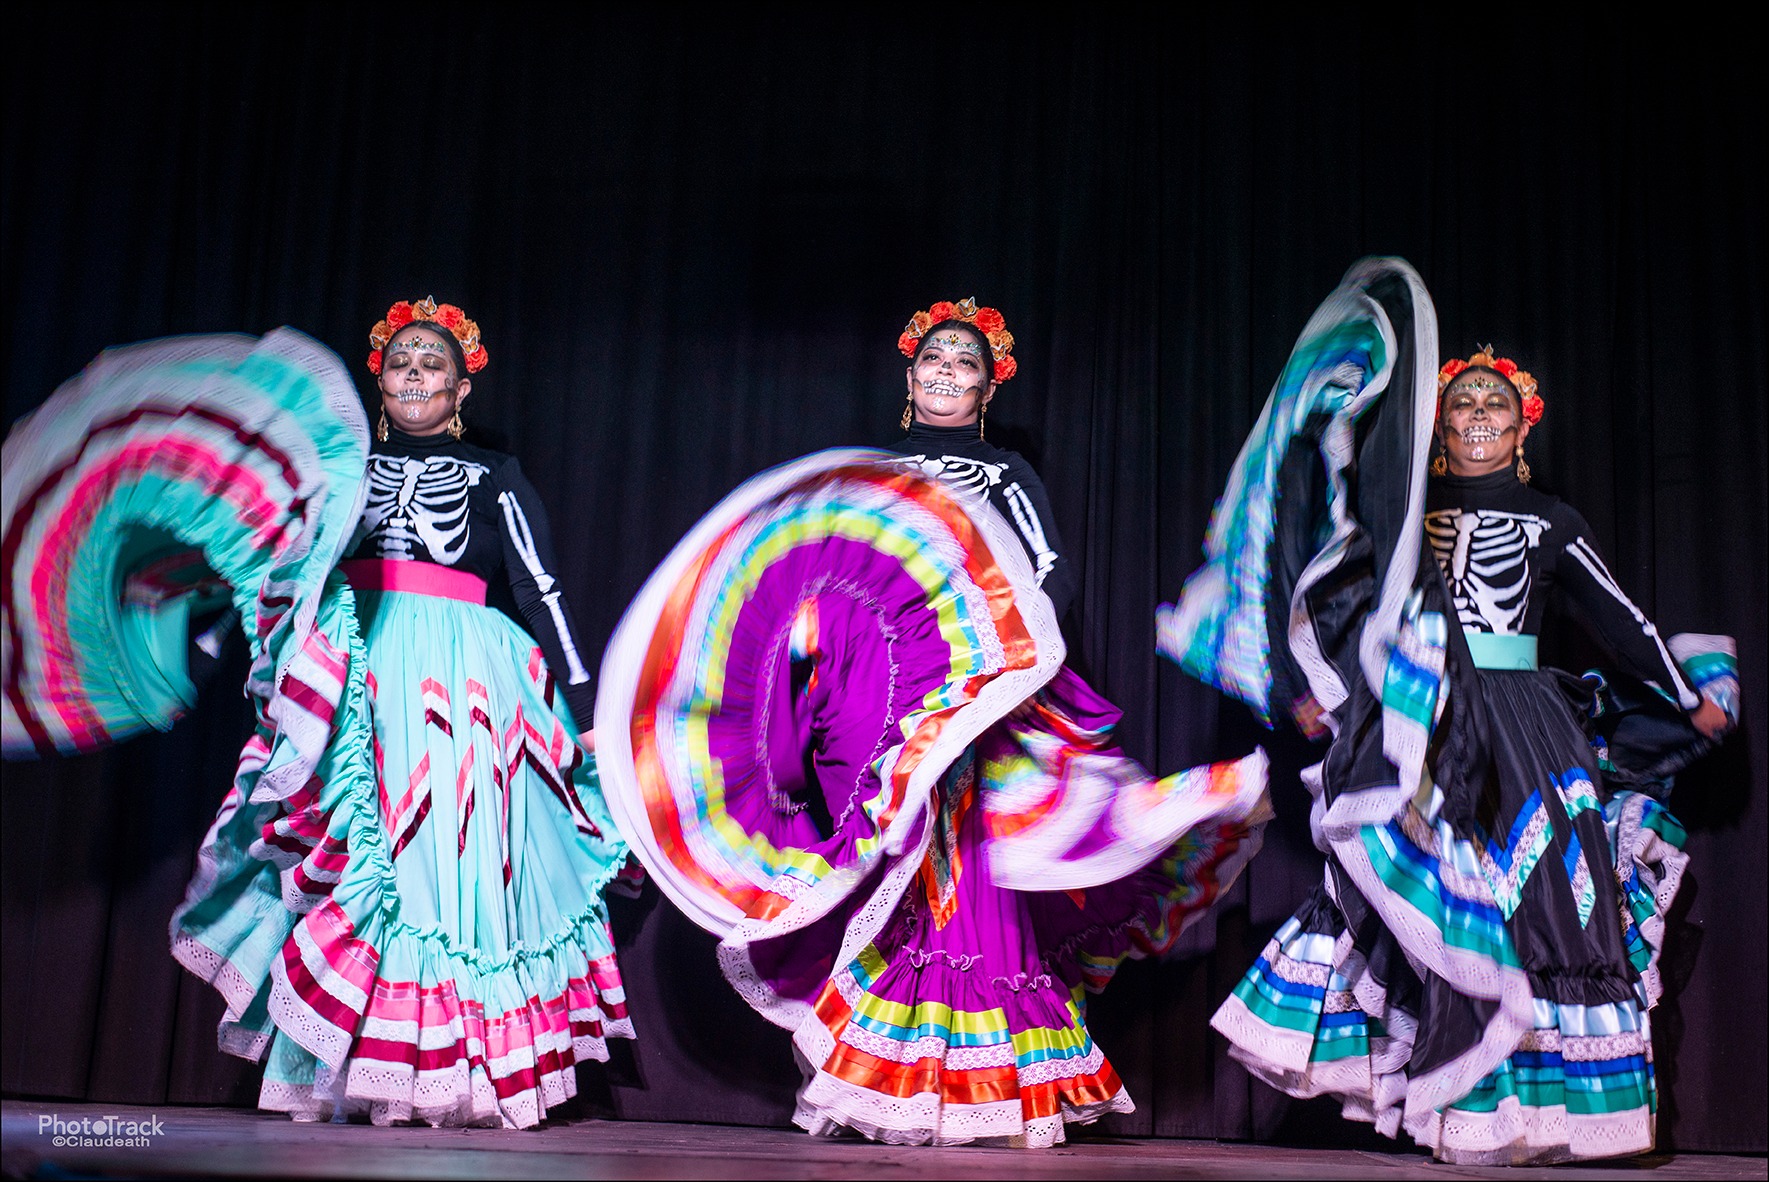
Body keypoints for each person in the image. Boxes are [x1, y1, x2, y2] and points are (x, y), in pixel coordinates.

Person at [595, 298, 1271, 1147]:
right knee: (878, 878)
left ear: (987, 387)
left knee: (969, 876)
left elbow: (1051, 580)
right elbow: (817, 577)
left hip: (976, 705)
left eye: (965, 363)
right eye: (935, 360)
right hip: (868, 709)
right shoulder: (867, 476)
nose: (947, 371)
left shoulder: (1001, 476)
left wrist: (991, 665)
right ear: (910, 376)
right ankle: (879, 1075)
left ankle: (974, 1082)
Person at [2, 298, 633, 1129]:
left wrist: (586, 706)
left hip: (470, 681)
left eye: (432, 364)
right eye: (402, 360)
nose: (414, 372)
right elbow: (275, 559)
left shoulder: (492, 477)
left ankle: (465, 1071)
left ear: (459, 389)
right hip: (359, 668)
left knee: (453, 869)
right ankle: (362, 1065)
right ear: (379, 379)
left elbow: (538, 589)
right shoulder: (336, 469)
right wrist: (196, 635)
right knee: (364, 864)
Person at [1161, 259, 1739, 1164]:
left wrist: (1682, 691)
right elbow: (1335, 604)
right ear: (1438, 429)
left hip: (1524, 731)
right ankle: (1443, 1105)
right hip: (1419, 725)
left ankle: (1536, 1117)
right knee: (1419, 899)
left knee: (1539, 902)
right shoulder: (1400, 523)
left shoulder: (1552, 521)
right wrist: (1306, 691)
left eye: (1493, 410)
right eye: (1461, 407)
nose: (1476, 419)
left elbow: (1620, 619)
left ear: (1519, 433)